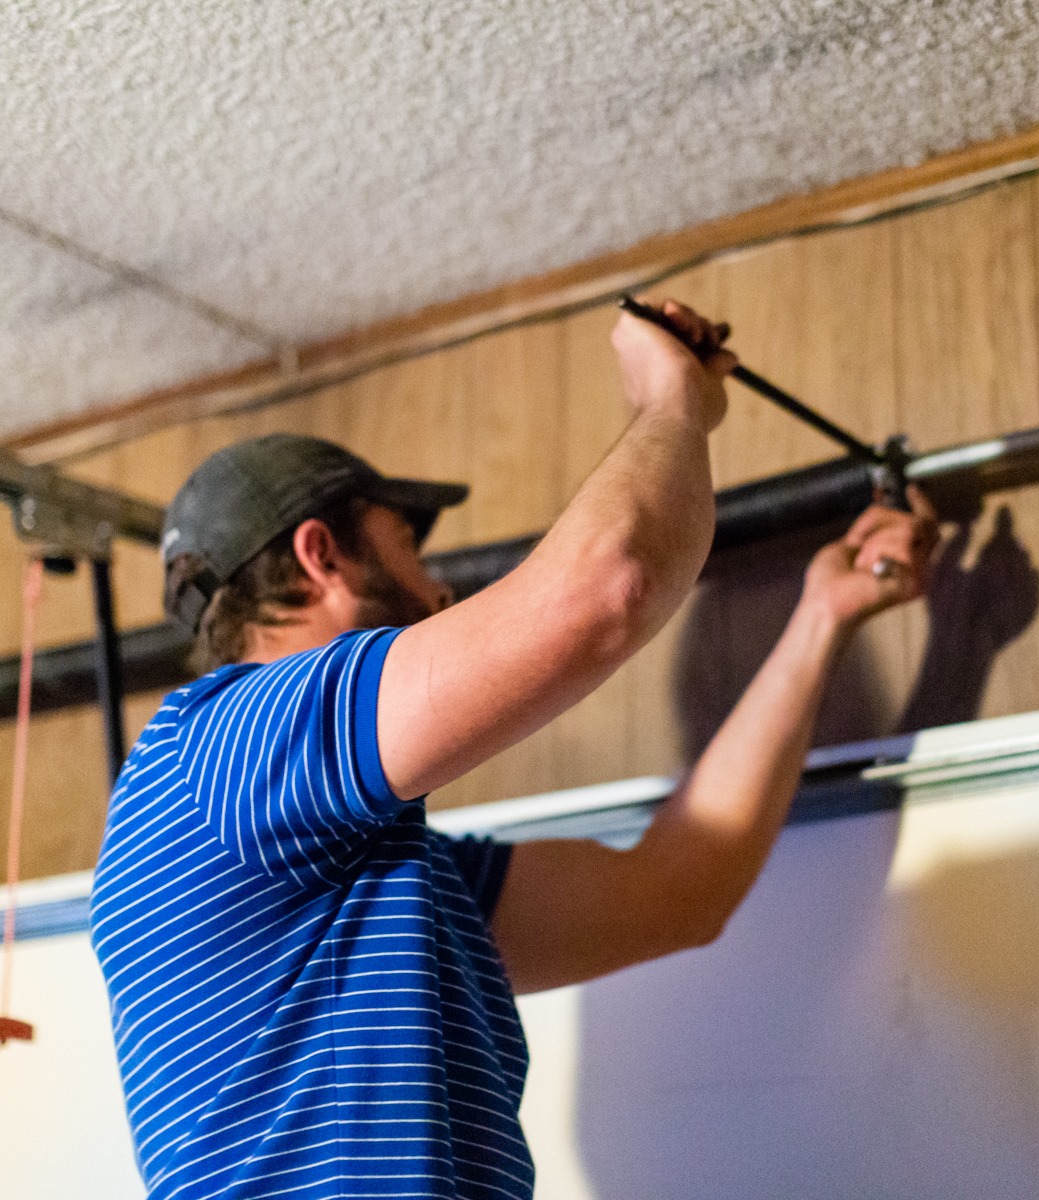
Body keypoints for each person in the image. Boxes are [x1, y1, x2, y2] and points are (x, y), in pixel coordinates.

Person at [90, 300, 938, 1200]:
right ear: (321, 555)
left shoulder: (377, 880)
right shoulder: (221, 745)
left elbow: (678, 891)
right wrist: (668, 401)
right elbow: (607, 590)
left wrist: (822, 618)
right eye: (407, 544)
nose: (439, 580)